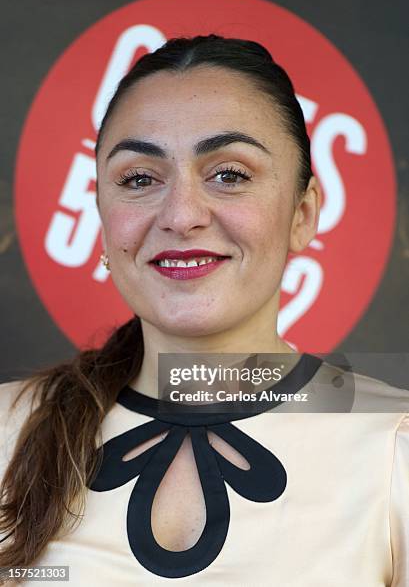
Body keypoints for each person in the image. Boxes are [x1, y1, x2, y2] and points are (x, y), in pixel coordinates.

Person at [0, 34, 408, 586]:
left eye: (229, 174)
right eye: (139, 179)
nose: (182, 215)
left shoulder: (393, 445)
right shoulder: (9, 432)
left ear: (302, 213)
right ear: (102, 218)